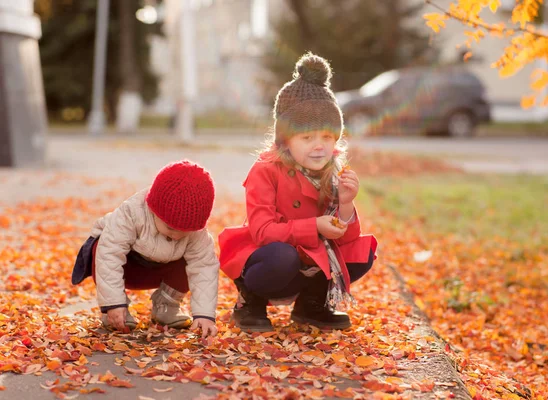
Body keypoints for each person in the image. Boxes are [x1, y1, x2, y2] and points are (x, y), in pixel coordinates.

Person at [218, 52, 378, 332]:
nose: (319, 146)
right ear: (286, 139)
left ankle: (312, 304)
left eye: (327, 137)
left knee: (361, 253)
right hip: (270, 256)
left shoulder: (333, 172)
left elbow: (346, 237)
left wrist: (346, 206)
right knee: (282, 256)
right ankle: (250, 300)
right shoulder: (266, 169)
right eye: (307, 137)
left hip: (309, 255)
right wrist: (315, 226)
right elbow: (263, 231)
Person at [71, 160, 220, 338]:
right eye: (171, 228)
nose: (177, 235)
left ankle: (167, 305)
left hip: (162, 271)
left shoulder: (197, 234)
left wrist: (204, 315)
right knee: (101, 246)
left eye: (185, 231)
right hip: (128, 268)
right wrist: (113, 303)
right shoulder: (132, 213)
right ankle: (115, 311)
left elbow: (204, 268)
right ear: (153, 210)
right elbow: (110, 254)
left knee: (194, 259)